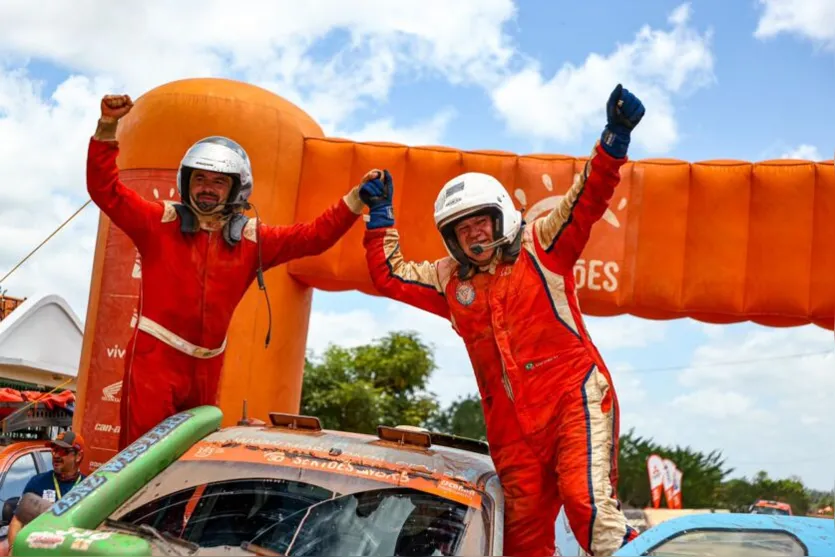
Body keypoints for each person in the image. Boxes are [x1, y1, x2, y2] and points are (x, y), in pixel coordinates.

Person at [359, 84, 645, 556]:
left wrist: (613, 139)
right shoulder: (448, 280)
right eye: (461, 229)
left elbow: (586, 198)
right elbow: (390, 275)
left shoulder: (543, 244)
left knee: (590, 514)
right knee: (519, 544)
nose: (473, 234)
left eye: (480, 222)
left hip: (574, 400)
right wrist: (380, 218)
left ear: (501, 218)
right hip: (511, 435)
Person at [89, 95, 366, 449]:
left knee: (191, 464)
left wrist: (355, 200)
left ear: (236, 188)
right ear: (186, 182)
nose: (207, 187)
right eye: (200, 178)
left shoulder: (252, 239)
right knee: (140, 459)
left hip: (208, 368)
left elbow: (314, 237)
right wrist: (107, 127)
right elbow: (105, 190)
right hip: (155, 360)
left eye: (218, 181)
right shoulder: (159, 221)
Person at [22, 430, 87, 503]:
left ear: (78, 456)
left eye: (63, 451)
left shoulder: (89, 488)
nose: (56, 455)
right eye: (55, 450)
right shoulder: (37, 483)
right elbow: (19, 514)